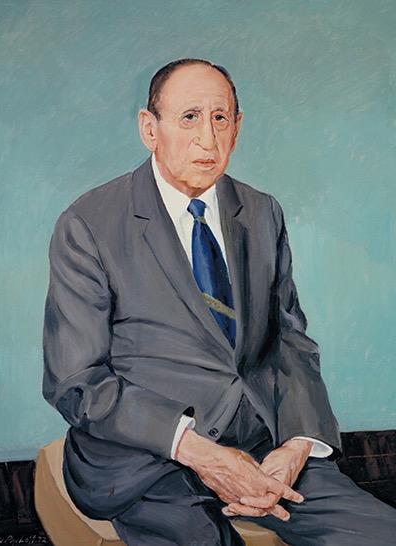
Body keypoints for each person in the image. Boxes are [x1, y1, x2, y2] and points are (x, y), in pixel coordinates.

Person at [42, 58, 396, 545]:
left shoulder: (261, 211)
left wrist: (296, 445)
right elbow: (75, 381)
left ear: (238, 126)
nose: (208, 140)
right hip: (145, 462)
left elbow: (289, 341)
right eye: (189, 117)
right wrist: (198, 452)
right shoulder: (88, 223)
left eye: (220, 118)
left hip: (261, 447)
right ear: (150, 128)